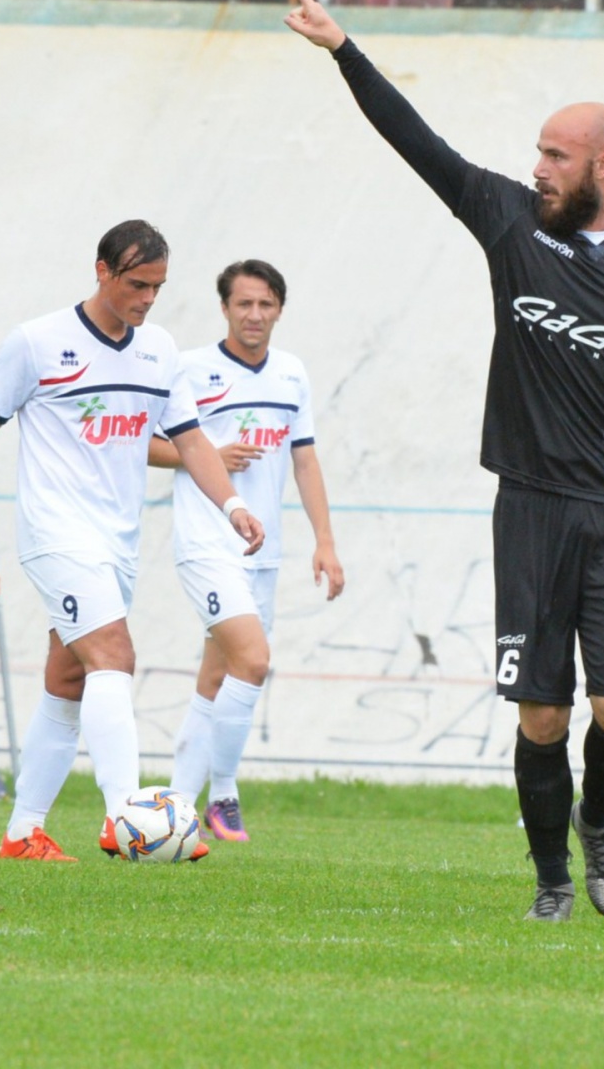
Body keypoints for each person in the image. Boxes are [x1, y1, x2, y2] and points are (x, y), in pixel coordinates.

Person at [284, 0, 604, 921]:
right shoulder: (510, 225)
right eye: (536, 150)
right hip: (529, 507)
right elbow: (421, 147)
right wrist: (344, 50)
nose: (536, 166)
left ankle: (599, 828)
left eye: (555, 153)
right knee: (543, 715)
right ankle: (549, 885)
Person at [0, 220, 263, 862]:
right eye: (137, 284)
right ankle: (127, 818)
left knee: (69, 678)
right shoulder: (38, 343)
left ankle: (23, 833)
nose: (146, 298)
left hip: (116, 542)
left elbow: (190, 439)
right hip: (55, 534)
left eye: (158, 288)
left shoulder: (158, 349)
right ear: (102, 271)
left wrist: (234, 505)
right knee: (114, 653)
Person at [146, 258, 345, 842]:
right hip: (207, 543)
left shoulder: (291, 375)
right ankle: (224, 792)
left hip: (263, 551)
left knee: (218, 676)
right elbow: (143, 444)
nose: (254, 315)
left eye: (265, 305)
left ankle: (175, 813)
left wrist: (325, 542)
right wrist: (202, 453)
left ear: (279, 309)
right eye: (243, 304)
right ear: (225, 308)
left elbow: (304, 459)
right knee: (253, 663)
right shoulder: (189, 369)